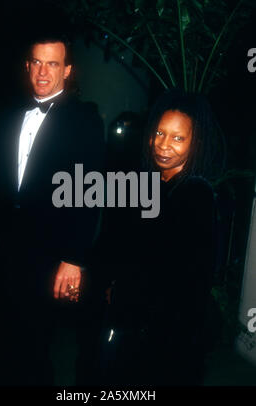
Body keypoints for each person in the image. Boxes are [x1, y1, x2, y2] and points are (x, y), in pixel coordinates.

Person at [0, 33, 105, 385]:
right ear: (27, 66)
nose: (43, 72)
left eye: (53, 64)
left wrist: (74, 259)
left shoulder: (85, 120)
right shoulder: (7, 116)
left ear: (67, 70)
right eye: (37, 62)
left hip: (49, 253)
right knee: (0, 339)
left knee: (35, 348)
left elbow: (88, 192)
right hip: (5, 250)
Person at [99, 89, 224, 386]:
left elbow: (190, 280)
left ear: (196, 143)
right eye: (159, 133)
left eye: (178, 138)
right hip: (136, 327)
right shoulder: (153, 183)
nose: (164, 145)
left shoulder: (195, 194)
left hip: (164, 340)